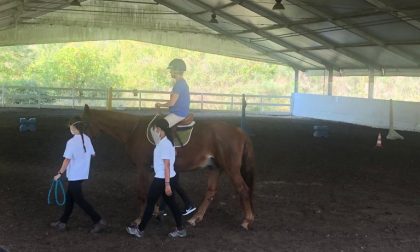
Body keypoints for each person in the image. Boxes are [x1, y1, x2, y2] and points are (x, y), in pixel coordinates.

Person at [127, 118, 187, 238]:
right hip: (169, 177)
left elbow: (167, 165)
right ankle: (180, 229)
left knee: (150, 203)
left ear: (160, 129)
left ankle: (140, 230)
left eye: (155, 128)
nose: (154, 131)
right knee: (172, 204)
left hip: (162, 179)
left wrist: (167, 184)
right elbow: (172, 156)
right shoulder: (167, 142)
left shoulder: (164, 144)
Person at [50, 116, 106, 233]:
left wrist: (59, 173)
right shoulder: (86, 138)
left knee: (80, 200)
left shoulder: (71, 142)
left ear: (74, 127)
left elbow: (67, 160)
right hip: (82, 175)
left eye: (70, 126)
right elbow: (93, 154)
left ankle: (98, 220)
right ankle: (63, 222)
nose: (69, 128)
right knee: (70, 198)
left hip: (74, 175)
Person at [155, 58, 190, 128]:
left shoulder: (179, 84)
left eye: (171, 70)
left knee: (159, 127)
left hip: (178, 114)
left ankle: (168, 139)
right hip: (179, 112)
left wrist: (160, 105)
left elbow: (172, 103)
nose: (170, 72)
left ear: (176, 71)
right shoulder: (181, 82)